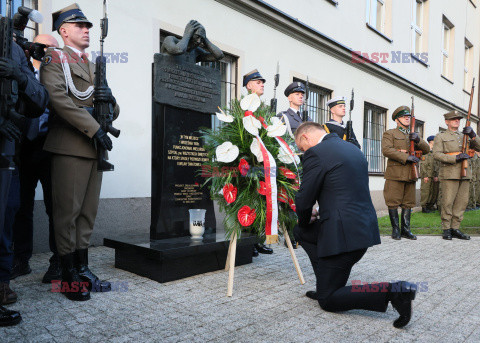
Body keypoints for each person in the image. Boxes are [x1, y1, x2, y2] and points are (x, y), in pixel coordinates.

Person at [293, 122, 417, 329]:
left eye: (301, 148)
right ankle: (325, 282)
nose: (304, 152)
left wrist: (306, 218)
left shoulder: (316, 153)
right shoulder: (352, 148)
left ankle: (395, 291)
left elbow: (304, 200)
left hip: (342, 237)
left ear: (305, 138)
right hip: (362, 231)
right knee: (301, 231)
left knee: (328, 300)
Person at [40, 4, 119, 301]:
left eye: (88, 26)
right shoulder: (53, 58)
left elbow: (112, 106)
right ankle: (67, 275)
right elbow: (58, 99)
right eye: (80, 25)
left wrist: (109, 102)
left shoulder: (95, 64)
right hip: (70, 145)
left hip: (93, 147)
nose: (87, 30)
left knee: (87, 213)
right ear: (63, 30)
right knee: (67, 213)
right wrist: (93, 127)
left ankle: (82, 268)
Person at [0, 29, 49, 326]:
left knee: (8, 214)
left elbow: (39, 99)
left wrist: (18, 74)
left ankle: (3, 282)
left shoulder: (15, 49)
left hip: (10, 153)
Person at [11, 34, 61, 284]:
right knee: (21, 206)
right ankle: (21, 259)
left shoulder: (63, 75)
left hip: (51, 146)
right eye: (42, 47)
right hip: (24, 146)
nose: (47, 52)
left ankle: (57, 261)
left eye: (52, 48)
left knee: (55, 207)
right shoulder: (25, 72)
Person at [382, 106, 429, 240]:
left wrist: (418, 139)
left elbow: (426, 150)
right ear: (397, 120)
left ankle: (406, 229)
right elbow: (386, 150)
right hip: (395, 172)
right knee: (392, 201)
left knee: (408, 202)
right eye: (404, 117)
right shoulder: (390, 133)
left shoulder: (413, 134)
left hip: (410, 173)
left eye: (408, 116)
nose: (407, 118)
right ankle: (396, 229)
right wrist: (406, 157)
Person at [433, 111, 480, 240]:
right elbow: (436, 154)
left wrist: (473, 135)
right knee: (447, 202)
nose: (457, 121)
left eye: (458, 119)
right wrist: (455, 158)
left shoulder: (465, 135)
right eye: (453, 119)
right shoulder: (440, 136)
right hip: (449, 173)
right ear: (447, 122)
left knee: (462, 202)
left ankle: (455, 228)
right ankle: (446, 229)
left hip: (465, 173)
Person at [243, 69, 272, 255]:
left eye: (263, 82)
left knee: (262, 201)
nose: (262, 84)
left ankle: (258, 239)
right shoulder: (243, 106)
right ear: (249, 85)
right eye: (258, 82)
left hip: (263, 162)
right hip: (249, 161)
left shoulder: (263, 109)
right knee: (249, 201)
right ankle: (247, 242)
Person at [419, 135, 440, 213]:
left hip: (433, 175)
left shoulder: (435, 152)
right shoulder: (426, 152)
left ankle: (430, 206)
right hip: (427, 175)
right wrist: (425, 176)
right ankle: (424, 207)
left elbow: (437, 165)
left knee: (433, 191)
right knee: (425, 191)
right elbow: (423, 165)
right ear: (431, 141)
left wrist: (436, 175)